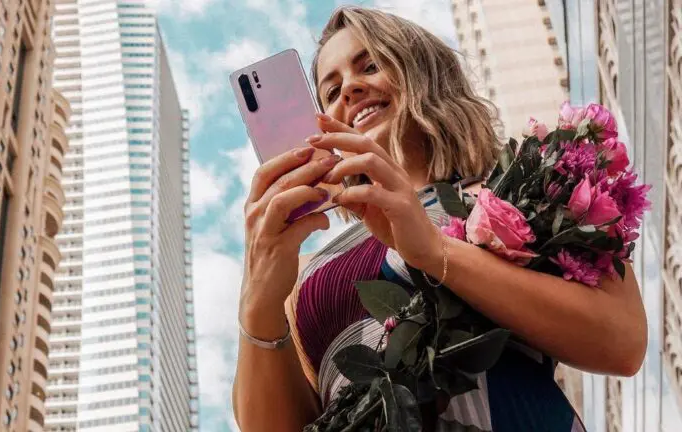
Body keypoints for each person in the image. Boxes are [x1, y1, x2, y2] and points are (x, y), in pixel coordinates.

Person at [232, 6, 647, 431]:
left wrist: (434, 252)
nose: (350, 91)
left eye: (370, 65)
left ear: (424, 71)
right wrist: (258, 304)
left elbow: (621, 341)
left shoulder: (526, 186)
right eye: (331, 91)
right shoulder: (304, 276)